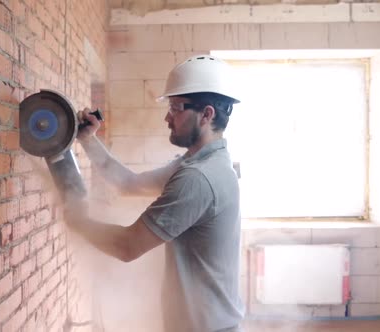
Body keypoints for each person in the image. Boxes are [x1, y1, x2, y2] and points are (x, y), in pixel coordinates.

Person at [64, 55, 245, 332]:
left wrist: (79, 223)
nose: (167, 117)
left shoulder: (197, 178)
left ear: (207, 114)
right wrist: (88, 140)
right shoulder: (196, 165)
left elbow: (127, 246)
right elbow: (128, 183)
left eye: (176, 108)